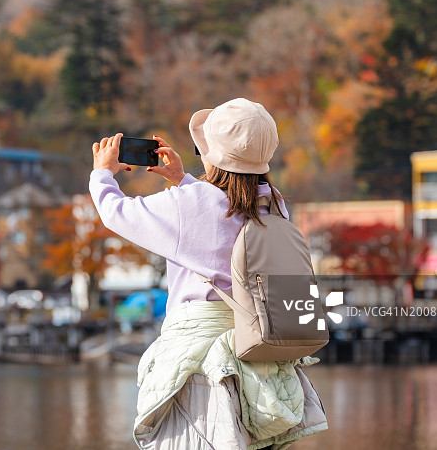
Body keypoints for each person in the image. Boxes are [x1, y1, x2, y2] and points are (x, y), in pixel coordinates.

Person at [89, 98, 328, 450]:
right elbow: (222, 212)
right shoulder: (275, 203)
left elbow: (116, 212)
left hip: (201, 359)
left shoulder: (191, 202)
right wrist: (181, 180)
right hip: (260, 353)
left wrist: (102, 172)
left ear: (212, 155)